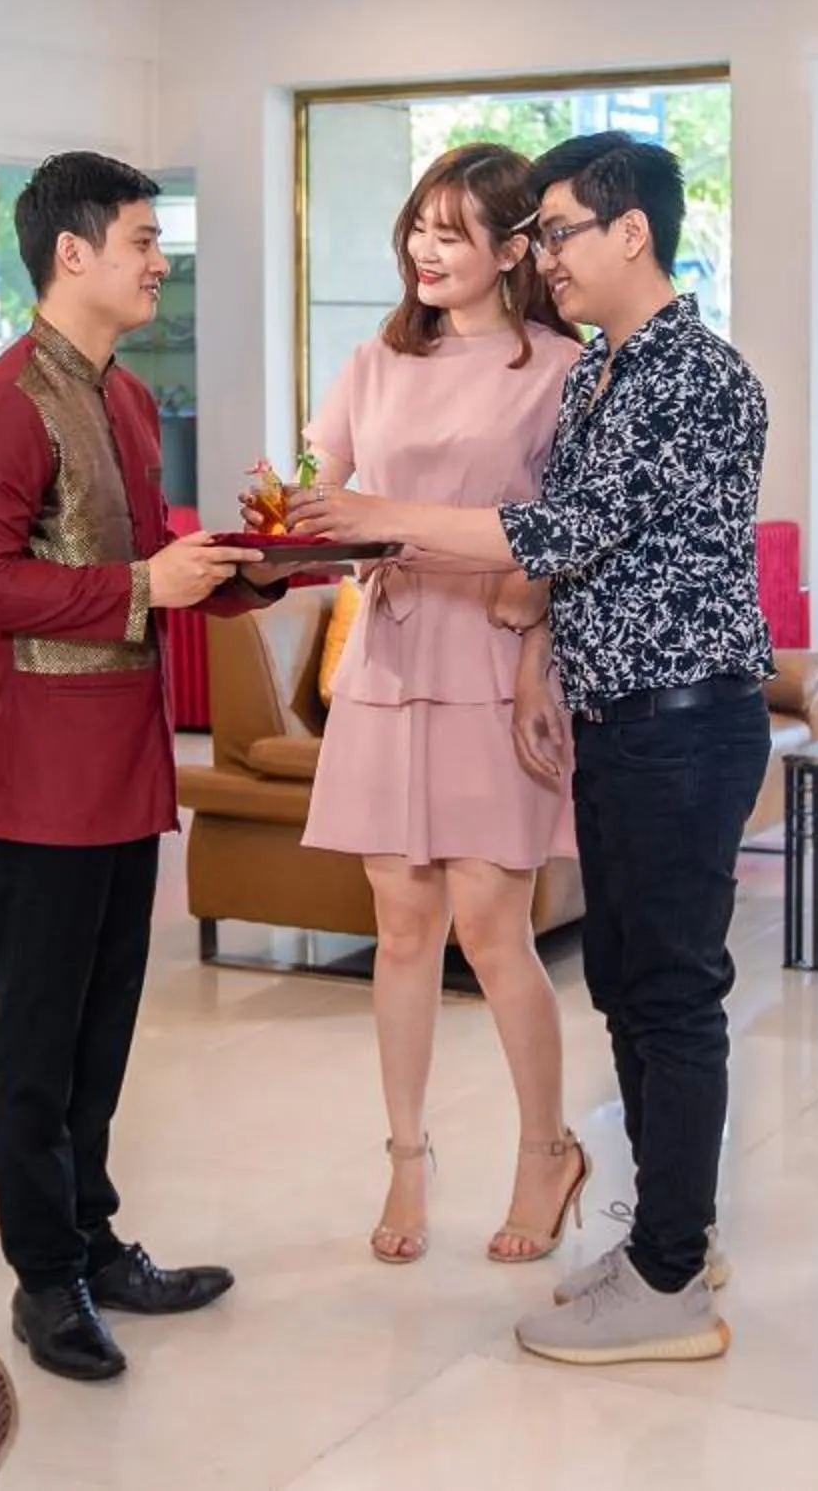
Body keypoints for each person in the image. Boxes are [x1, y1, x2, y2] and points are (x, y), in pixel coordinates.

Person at [296, 131, 771, 1368]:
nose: (542, 255)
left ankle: (670, 1279)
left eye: (555, 232)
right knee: (629, 987)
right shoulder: (617, 368)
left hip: (679, 717)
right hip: (620, 714)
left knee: (670, 999)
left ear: (631, 232)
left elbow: (561, 531)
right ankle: (666, 1243)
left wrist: (388, 521)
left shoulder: (687, 376)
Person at [0, 151, 280, 1384]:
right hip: (31, 786)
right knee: (36, 1049)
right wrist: (148, 581)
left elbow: (148, 564)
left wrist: (252, 570)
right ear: (71, 253)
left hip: (123, 775)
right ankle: (45, 1279)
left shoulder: (125, 397)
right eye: (143, 239)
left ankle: (92, 1241)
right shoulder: (6, 403)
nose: (159, 261)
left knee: (104, 1033)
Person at [299, 143, 589, 1270]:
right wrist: (312, 530)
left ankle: (545, 1151)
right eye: (419, 226)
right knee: (402, 925)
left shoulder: (561, 368)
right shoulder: (375, 358)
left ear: (513, 250)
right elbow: (319, 493)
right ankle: (407, 1157)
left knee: (490, 928)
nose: (427, 249)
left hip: (495, 657)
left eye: (453, 232)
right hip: (391, 657)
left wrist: (534, 652)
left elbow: (570, 539)